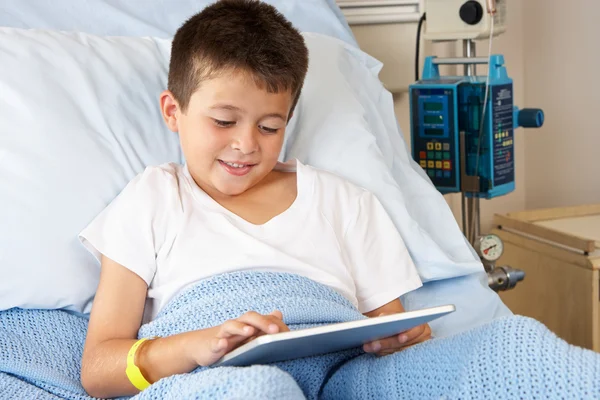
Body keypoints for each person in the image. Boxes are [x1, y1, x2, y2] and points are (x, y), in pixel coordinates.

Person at [78, 0, 429, 398]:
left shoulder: (345, 202)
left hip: (342, 378)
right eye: (224, 122)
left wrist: (406, 339)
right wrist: (195, 346)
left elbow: (393, 332)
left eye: (268, 126)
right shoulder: (154, 199)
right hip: (210, 381)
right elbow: (99, 369)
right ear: (173, 111)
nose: (245, 144)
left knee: (511, 346)